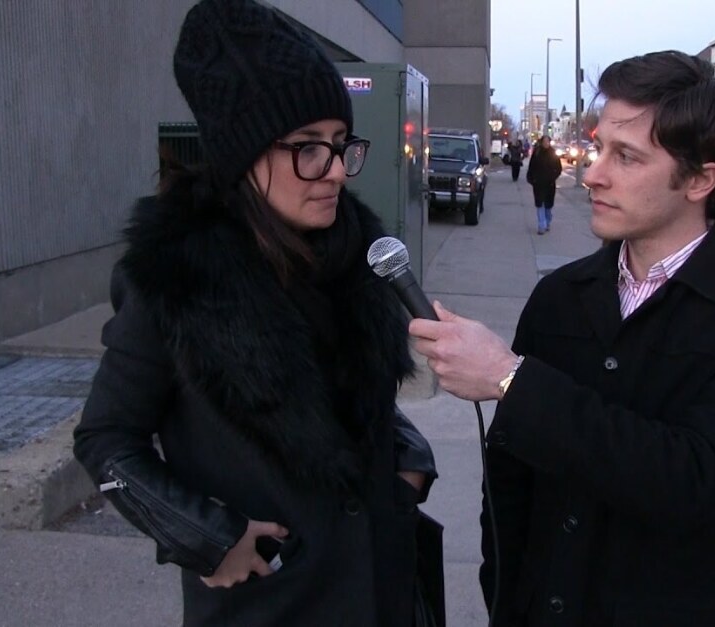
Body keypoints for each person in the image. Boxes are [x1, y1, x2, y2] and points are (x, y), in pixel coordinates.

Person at [408, 50, 715, 626]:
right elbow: (509, 483)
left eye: (626, 157)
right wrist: (508, 597)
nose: (594, 173)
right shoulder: (560, 297)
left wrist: (511, 380)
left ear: (700, 179)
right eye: (600, 149)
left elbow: (696, 481)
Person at [71, 1, 439, 625]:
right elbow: (105, 439)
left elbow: (352, 406)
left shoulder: (357, 254)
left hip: (383, 586)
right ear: (244, 155)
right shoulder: (178, 281)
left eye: (341, 146)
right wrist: (206, 537)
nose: (334, 172)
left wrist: (409, 458)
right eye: (308, 148)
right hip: (272, 603)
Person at [526, 134, 563, 234]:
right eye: (544, 142)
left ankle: (547, 221)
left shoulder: (553, 153)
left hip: (549, 184)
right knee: (540, 204)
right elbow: (531, 167)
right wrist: (532, 179)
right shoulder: (537, 153)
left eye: (547, 142)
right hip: (538, 184)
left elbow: (558, 168)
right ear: (541, 142)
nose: (546, 143)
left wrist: (553, 177)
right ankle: (541, 225)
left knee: (548, 205)